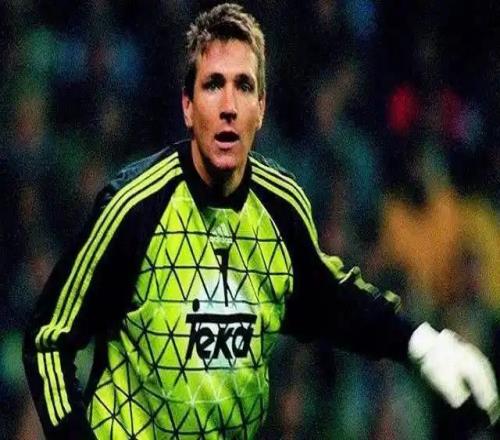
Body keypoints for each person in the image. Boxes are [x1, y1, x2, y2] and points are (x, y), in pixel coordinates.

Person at [23, 3, 499, 439]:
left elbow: (331, 300)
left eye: (244, 86)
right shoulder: (133, 205)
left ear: (262, 108)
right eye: (213, 84)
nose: (228, 106)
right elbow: (48, 340)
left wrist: (423, 344)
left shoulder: (281, 206)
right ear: (187, 106)